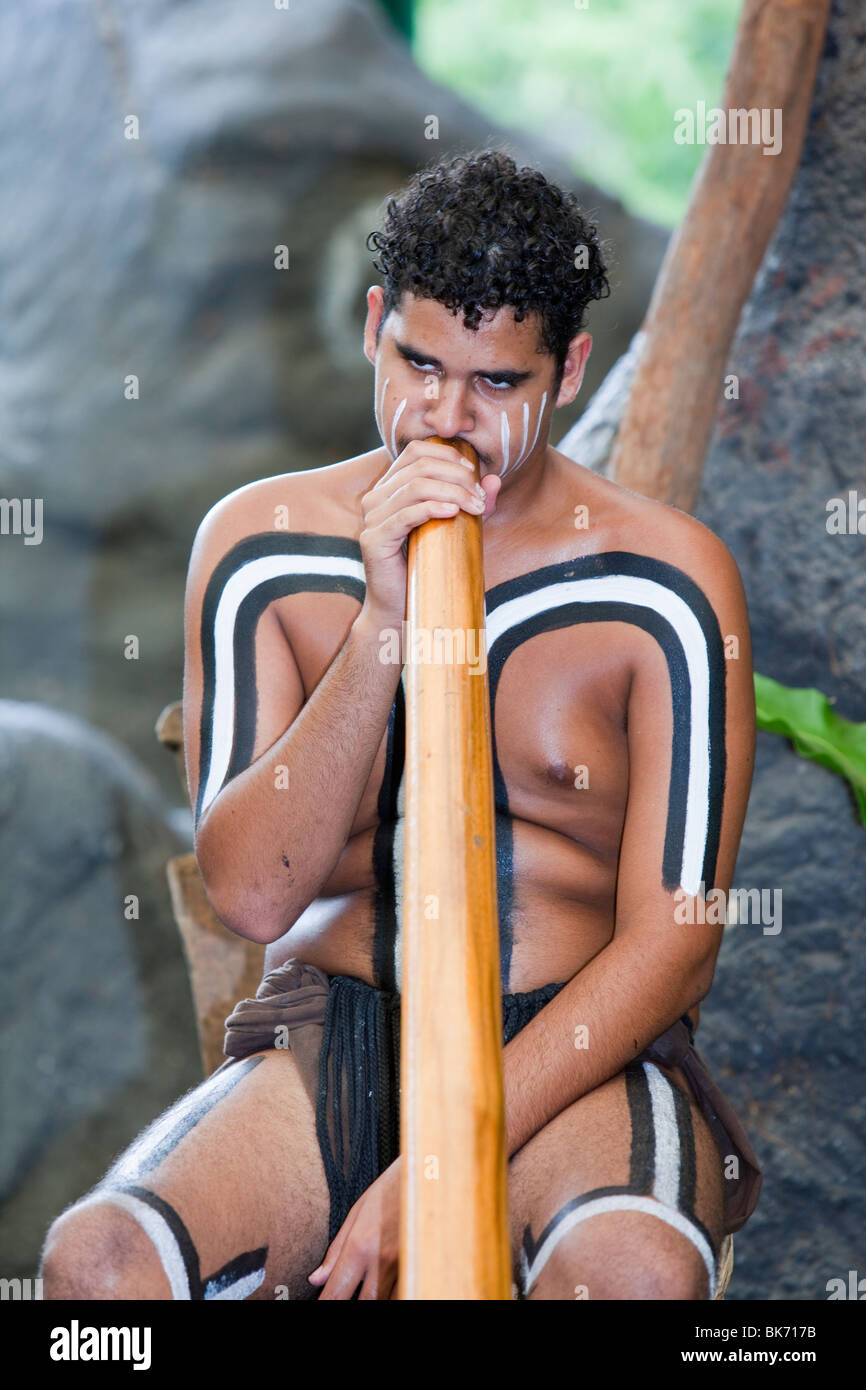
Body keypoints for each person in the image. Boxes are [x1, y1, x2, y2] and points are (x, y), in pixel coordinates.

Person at [40, 149, 761, 1301]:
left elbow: (675, 942)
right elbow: (252, 897)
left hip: (572, 1058)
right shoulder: (259, 548)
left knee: (626, 1272)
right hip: (333, 1036)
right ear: (376, 324)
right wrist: (384, 612)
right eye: (417, 363)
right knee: (97, 1268)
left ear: (567, 372)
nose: (444, 416)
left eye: (494, 384)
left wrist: (441, 1161)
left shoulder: (665, 580)